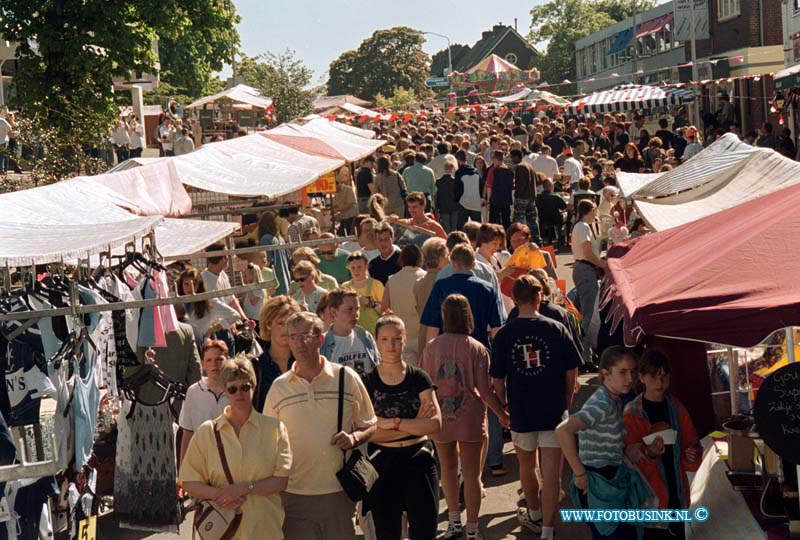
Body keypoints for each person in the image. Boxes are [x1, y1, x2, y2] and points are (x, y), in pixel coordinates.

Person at [263, 312, 377, 540]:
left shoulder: (346, 377)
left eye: (305, 336)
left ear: (320, 340)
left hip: (338, 493)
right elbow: (268, 441)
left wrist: (354, 438)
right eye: (292, 337)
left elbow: (370, 424)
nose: (298, 343)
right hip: (293, 494)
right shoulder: (279, 387)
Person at [491, 276, 581, 540]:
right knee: (552, 476)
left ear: (516, 300)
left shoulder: (504, 335)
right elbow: (571, 370)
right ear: (539, 297)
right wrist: (566, 402)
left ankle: (534, 514)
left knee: (527, 467)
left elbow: (497, 379)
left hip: (521, 411)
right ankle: (548, 531)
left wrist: (504, 406)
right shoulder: (556, 328)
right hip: (553, 410)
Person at [420, 294, 509, 540]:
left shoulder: (431, 347)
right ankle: (472, 528)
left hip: (441, 418)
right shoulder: (477, 348)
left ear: (444, 316)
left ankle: (453, 523)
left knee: (447, 471)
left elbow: (424, 384)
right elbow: (485, 390)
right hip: (470, 417)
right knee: (472, 475)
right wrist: (501, 413)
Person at [179, 355, 292, 540]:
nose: (239, 393)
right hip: (223, 532)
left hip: (264, 530)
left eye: (245, 387)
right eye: (232, 388)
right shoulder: (207, 432)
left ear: (253, 386)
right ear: (225, 391)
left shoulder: (275, 429)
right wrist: (220, 494)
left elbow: (281, 481)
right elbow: (189, 482)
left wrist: (244, 488)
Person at [556, 346, 654, 540]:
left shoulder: (613, 399)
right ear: (605, 374)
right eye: (622, 372)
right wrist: (580, 474)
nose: (629, 378)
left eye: (632, 371)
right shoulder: (602, 402)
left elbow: (603, 439)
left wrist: (627, 449)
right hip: (600, 482)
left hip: (607, 480)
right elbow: (563, 430)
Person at [363, 316, 442, 540]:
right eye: (385, 339)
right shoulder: (367, 382)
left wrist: (391, 423)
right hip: (382, 462)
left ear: (405, 341)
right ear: (376, 342)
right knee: (387, 533)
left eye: (397, 339)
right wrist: (415, 425)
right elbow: (366, 431)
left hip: (419, 460)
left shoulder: (419, 378)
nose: (391, 345)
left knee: (425, 531)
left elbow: (435, 424)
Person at [623, 351, 701, 540]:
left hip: (677, 497)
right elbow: (628, 462)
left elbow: (692, 445)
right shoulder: (632, 413)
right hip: (648, 501)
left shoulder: (676, 407)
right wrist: (648, 455)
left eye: (664, 375)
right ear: (641, 377)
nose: (660, 382)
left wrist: (690, 455)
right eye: (653, 376)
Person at [179, 340, 231, 465]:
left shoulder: (235, 390)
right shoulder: (194, 391)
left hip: (229, 458)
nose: (214, 364)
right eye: (209, 360)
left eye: (219, 359)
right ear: (203, 364)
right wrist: (183, 469)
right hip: (201, 459)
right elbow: (188, 432)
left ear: (227, 360)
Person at [253, 296, 302, 412]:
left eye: (290, 323)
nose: (286, 329)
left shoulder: (304, 362)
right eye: (281, 323)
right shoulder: (256, 366)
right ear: (268, 325)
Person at [572, 200, 605, 363]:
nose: (595, 214)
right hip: (585, 269)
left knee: (586, 313)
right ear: (590, 210)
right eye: (594, 211)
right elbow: (587, 252)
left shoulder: (580, 226)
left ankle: (585, 355)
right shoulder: (583, 227)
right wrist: (603, 265)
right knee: (588, 314)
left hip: (582, 268)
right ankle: (582, 356)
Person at [382, 245, 426, 365]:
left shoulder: (392, 280)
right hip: (424, 334)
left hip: (402, 334)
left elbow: (384, 309)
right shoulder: (425, 278)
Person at [320, 288, 380, 376]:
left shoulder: (365, 337)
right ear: (333, 312)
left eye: (357, 309)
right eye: (350, 309)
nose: (356, 314)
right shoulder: (322, 343)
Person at [179, 268, 242, 351]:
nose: (189, 288)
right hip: (185, 345)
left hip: (203, 345)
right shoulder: (179, 302)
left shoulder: (209, 301)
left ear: (199, 285)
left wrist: (212, 329)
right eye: (186, 284)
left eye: (194, 284)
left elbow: (235, 315)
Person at [342, 251, 384, 336]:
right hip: (352, 332)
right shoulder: (345, 287)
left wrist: (370, 303)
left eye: (359, 267)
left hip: (374, 331)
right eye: (353, 267)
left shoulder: (376, 284)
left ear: (366, 266)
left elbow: (385, 311)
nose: (356, 270)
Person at [203, 247, 249, 321]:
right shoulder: (204, 279)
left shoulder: (223, 274)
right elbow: (213, 308)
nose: (229, 258)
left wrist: (245, 319)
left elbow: (232, 301)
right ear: (222, 259)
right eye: (227, 255)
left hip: (228, 323)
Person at [258, 210, 292, 296]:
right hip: (285, 280)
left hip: (276, 283)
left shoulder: (265, 239)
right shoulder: (280, 239)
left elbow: (266, 261)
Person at [510, 149, 540, 241]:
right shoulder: (529, 166)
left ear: (516, 157)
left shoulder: (520, 167)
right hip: (531, 197)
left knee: (519, 221)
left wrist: (517, 194)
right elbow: (537, 181)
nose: (511, 159)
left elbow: (521, 184)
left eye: (512, 157)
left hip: (522, 198)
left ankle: (520, 241)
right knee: (533, 221)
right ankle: (537, 240)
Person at [485, 150, 514, 230]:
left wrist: (488, 200)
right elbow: (511, 186)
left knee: (493, 222)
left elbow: (489, 186)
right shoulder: (510, 170)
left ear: (494, 158)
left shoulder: (493, 170)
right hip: (506, 199)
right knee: (506, 221)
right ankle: (508, 240)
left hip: (495, 199)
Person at [435, 155, 464, 234]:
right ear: (452, 169)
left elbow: (436, 196)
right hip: (455, 206)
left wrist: (436, 207)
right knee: (454, 227)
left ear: (444, 169)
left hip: (443, 207)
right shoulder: (456, 181)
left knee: (446, 227)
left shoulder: (438, 182)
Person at [367, 221, 401, 285]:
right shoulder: (373, 265)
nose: (383, 243)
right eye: (380, 240)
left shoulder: (403, 259)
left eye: (386, 239)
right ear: (375, 241)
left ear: (393, 239)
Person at [455, 149, 483, 227]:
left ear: (457, 159)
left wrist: (456, 200)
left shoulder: (459, 172)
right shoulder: (475, 171)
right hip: (476, 202)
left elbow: (458, 189)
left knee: (462, 227)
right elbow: (481, 187)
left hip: (463, 202)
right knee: (477, 227)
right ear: (466, 158)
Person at [335, 165, 359, 235]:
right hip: (343, 218)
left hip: (351, 218)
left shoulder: (348, 189)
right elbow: (336, 205)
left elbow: (351, 203)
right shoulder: (336, 193)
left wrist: (338, 210)